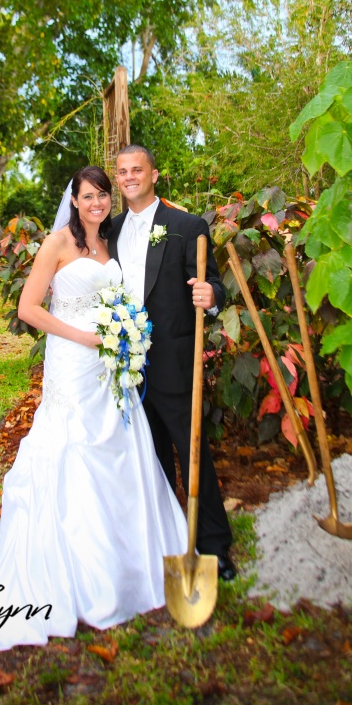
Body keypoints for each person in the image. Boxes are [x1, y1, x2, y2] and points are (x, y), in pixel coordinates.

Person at [0, 165, 186, 651]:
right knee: (73, 449)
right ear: (75, 200)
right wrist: (85, 336)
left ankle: (129, 564)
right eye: (88, 196)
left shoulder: (111, 243)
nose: (97, 203)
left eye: (103, 195)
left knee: (120, 446)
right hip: (72, 361)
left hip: (110, 366)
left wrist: (121, 335)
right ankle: (79, 576)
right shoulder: (58, 243)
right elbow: (29, 309)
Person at [108, 145, 236, 581]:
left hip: (176, 364)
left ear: (154, 174)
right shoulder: (110, 230)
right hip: (130, 368)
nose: (129, 177)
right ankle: (163, 539)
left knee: (194, 452)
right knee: (150, 458)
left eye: (137, 170)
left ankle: (215, 548)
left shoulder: (186, 226)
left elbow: (215, 284)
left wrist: (211, 296)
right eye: (122, 171)